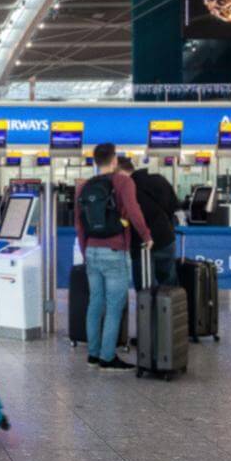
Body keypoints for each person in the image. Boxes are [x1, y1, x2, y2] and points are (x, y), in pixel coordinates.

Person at [75, 143, 152, 371]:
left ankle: (93, 355)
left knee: (95, 302)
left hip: (91, 250)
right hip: (115, 250)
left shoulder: (84, 187)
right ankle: (107, 357)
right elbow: (134, 211)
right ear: (114, 161)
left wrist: (85, 249)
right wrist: (146, 236)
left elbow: (80, 225)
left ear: (95, 162)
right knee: (115, 305)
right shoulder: (123, 182)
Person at [117, 156, 181, 288]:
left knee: (145, 289)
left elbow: (130, 217)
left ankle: (149, 309)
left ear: (120, 172)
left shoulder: (127, 188)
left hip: (142, 244)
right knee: (170, 286)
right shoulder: (158, 179)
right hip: (166, 239)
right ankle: (171, 308)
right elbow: (174, 206)